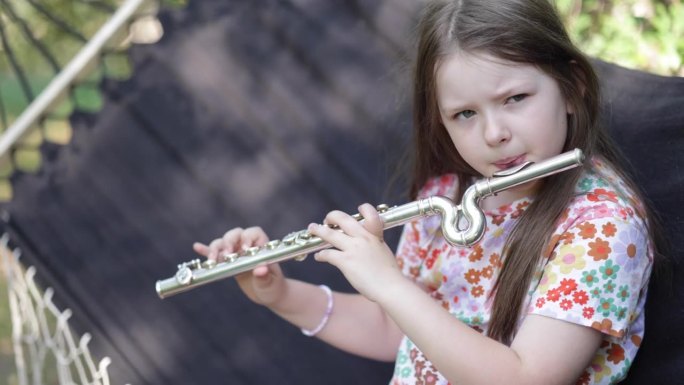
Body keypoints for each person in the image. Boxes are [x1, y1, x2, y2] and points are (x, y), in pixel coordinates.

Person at [193, 0, 665, 383]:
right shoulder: (447, 198)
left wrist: (391, 285)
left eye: (515, 99)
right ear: (439, 119)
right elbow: (393, 329)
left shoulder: (603, 225)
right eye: (465, 114)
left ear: (572, 87)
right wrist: (279, 294)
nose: (494, 133)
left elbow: (526, 378)